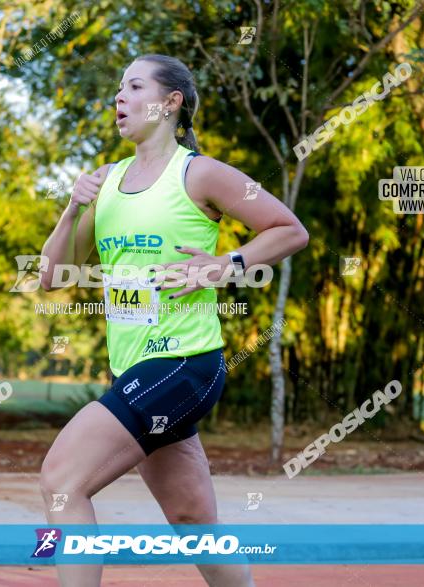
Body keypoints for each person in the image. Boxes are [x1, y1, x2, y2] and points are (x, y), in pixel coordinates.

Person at [38, 54, 309, 586]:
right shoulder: (108, 182)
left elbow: (289, 229)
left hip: (184, 363)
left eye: (134, 86)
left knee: (62, 482)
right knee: (194, 521)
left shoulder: (199, 172)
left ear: (170, 102)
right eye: (119, 87)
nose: (119, 97)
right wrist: (72, 208)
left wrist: (226, 265)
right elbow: (52, 275)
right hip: (136, 370)